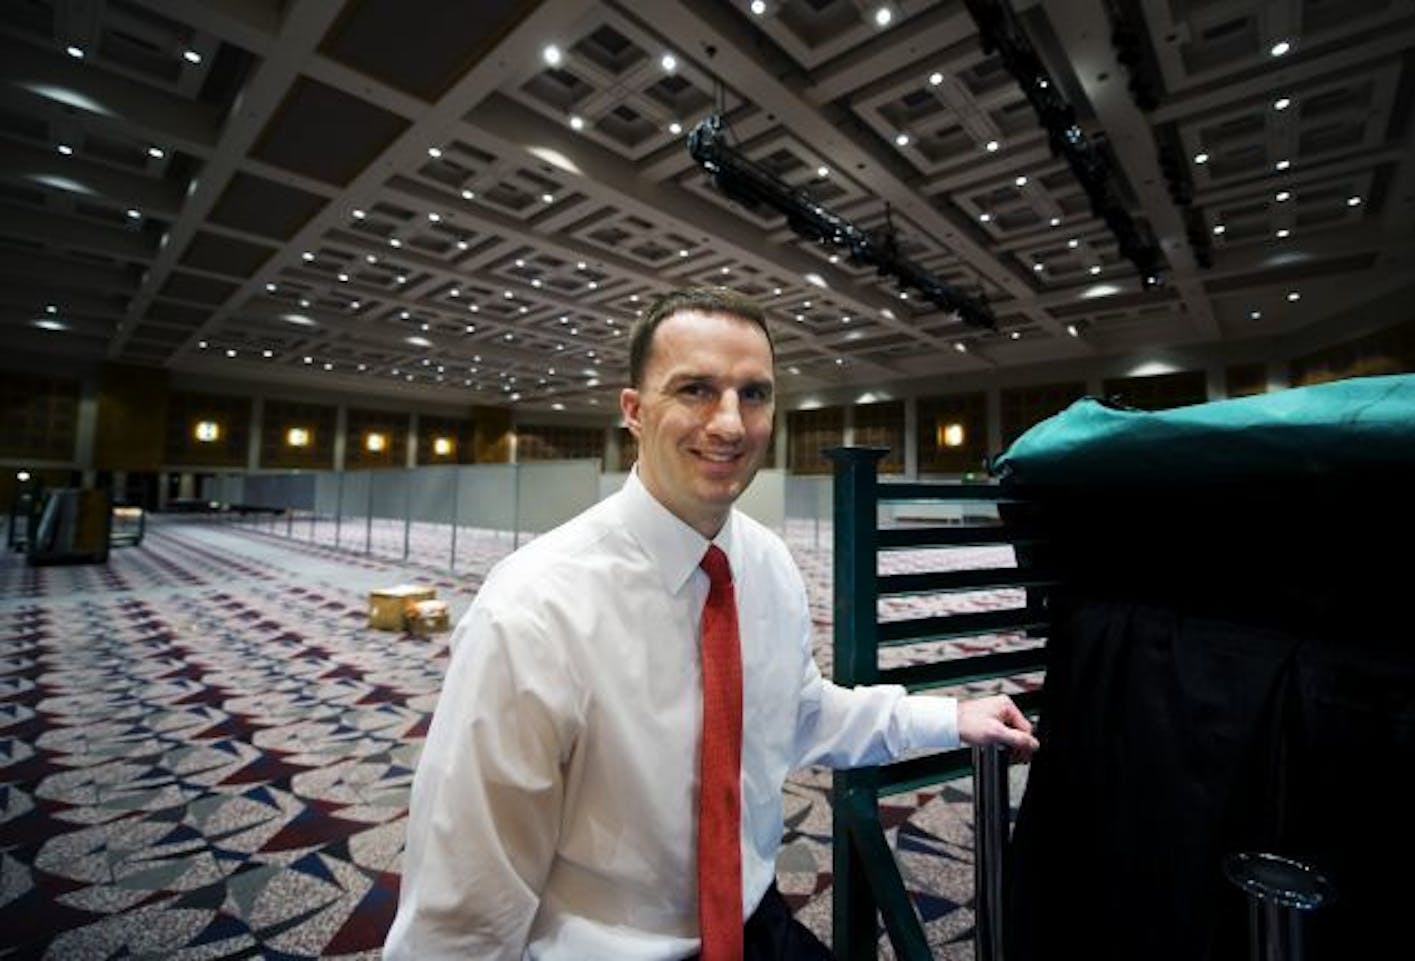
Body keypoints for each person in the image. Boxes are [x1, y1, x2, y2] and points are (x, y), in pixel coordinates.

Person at [384, 287, 1039, 960]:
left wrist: (946, 718)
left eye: (753, 394)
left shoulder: (765, 563)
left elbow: (797, 712)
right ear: (634, 412)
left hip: (757, 923)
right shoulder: (533, 609)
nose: (729, 423)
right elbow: (464, 900)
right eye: (695, 389)